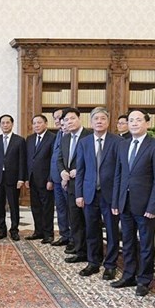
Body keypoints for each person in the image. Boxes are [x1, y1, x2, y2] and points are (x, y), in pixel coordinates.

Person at [111, 109, 155, 297]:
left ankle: (144, 280)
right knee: (127, 242)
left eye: (138, 120)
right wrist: (116, 201)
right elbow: (119, 175)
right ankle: (128, 275)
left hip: (145, 207)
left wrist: (153, 207)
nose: (133, 123)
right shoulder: (123, 145)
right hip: (125, 203)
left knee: (145, 244)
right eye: (131, 120)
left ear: (147, 123)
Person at [75, 107, 122, 280]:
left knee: (111, 231)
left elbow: (120, 171)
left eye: (103, 118)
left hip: (110, 195)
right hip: (89, 194)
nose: (99, 121)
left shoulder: (117, 142)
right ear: (91, 122)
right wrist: (79, 194)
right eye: (96, 119)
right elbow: (80, 170)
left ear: (108, 122)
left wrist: (118, 198)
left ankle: (110, 265)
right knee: (91, 230)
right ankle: (93, 262)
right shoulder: (84, 142)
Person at [57, 107, 92, 263]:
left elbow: (96, 160)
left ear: (79, 118)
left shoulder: (90, 135)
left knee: (90, 222)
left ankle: (94, 255)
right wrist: (62, 171)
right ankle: (80, 251)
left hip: (88, 185)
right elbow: (60, 159)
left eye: (72, 118)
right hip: (71, 186)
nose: (69, 122)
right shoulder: (65, 138)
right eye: (66, 120)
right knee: (75, 220)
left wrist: (80, 170)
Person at [0, 114, 26, 240]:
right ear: (0, 125)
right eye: (2, 123)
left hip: (13, 179)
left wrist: (21, 178)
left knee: (14, 205)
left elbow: (22, 161)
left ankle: (14, 230)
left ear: (12, 124)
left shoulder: (19, 140)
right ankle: (1, 229)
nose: (5, 125)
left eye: (7, 123)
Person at [25, 114, 55, 243]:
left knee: (47, 207)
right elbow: (28, 160)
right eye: (34, 123)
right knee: (35, 207)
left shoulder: (52, 138)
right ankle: (38, 231)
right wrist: (26, 178)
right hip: (32, 179)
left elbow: (53, 161)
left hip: (45, 180)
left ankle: (48, 234)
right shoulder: (30, 139)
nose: (36, 125)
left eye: (39, 122)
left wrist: (50, 179)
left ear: (46, 124)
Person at [50, 108, 72, 248]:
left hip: (68, 179)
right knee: (61, 209)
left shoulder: (71, 135)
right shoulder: (58, 134)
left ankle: (73, 238)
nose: (58, 121)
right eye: (56, 118)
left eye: (60, 118)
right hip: (56, 179)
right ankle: (64, 235)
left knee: (71, 210)